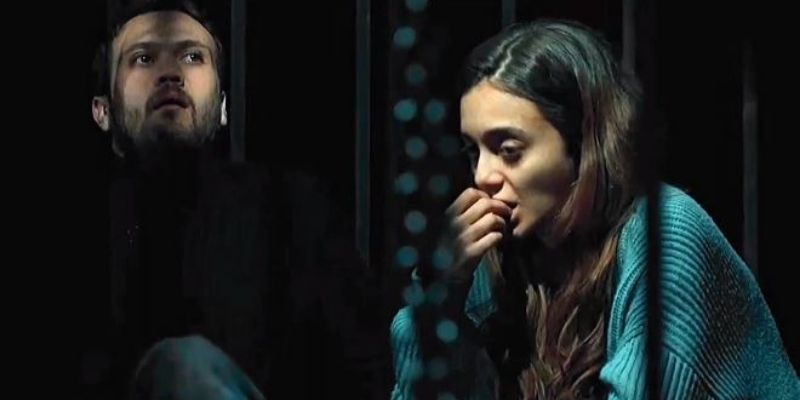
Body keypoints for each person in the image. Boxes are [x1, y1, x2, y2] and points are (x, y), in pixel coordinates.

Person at [390, 19, 799, 399]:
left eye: (509, 151)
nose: (483, 176)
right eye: (473, 151)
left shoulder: (667, 234)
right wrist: (438, 297)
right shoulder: (501, 260)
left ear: (583, 146)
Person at [83, 1, 389, 398]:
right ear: (103, 110)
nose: (171, 73)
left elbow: (364, 370)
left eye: (192, 57)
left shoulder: (291, 210)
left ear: (224, 107)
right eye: (144, 58)